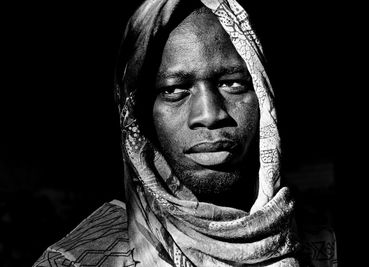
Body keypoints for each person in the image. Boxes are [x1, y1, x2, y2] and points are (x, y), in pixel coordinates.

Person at [34, 0, 336, 266]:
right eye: (174, 90)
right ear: (138, 117)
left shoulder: (326, 246)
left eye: (232, 83)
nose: (209, 114)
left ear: (264, 94)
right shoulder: (76, 260)